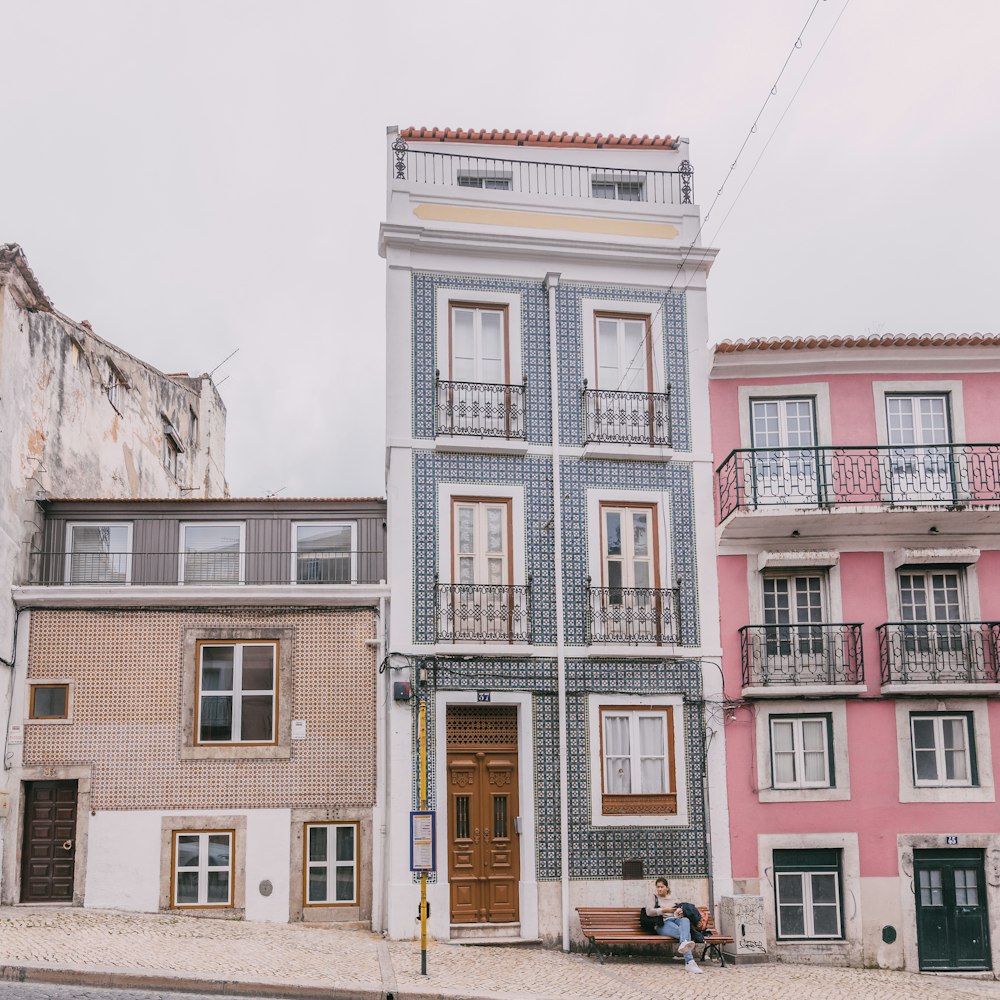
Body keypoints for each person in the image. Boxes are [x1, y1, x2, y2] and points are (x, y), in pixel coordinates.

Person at [638, 876, 704, 974]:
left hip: (676, 919)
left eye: (662, 887)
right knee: (685, 935)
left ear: (667, 888)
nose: (659, 889)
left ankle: (689, 959)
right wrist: (664, 910)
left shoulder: (673, 898)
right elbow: (649, 912)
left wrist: (680, 911)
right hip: (663, 923)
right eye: (658, 887)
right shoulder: (653, 897)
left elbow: (679, 910)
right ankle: (690, 962)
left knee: (685, 920)